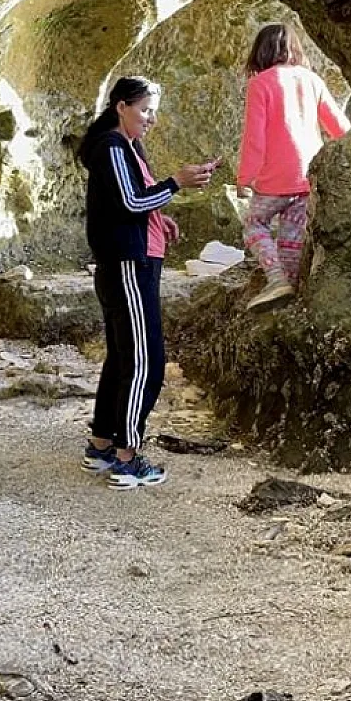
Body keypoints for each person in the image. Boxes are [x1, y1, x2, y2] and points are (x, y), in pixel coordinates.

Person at [77, 77, 214, 489]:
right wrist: (177, 182)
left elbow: (133, 202)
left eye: (154, 111)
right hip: (128, 265)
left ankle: (102, 445)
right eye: (144, 110)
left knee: (122, 358)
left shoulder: (128, 146)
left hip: (132, 260)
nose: (151, 118)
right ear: (121, 106)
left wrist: (158, 217)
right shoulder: (112, 146)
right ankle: (127, 457)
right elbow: (131, 201)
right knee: (146, 362)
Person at [235, 23, 351, 312]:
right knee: (291, 237)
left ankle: (276, 280)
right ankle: (288, 290)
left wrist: (245, 177)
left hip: (274, 177)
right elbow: (338, 126)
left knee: (254, 224)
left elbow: (254, 137)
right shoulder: (312, 80)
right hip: (307, 174)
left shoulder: (261, 83)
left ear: (260, 52)